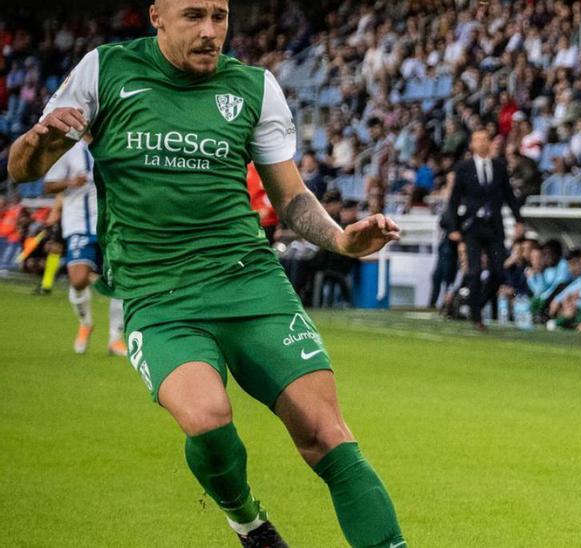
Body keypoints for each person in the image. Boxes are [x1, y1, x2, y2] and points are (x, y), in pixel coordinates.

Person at [6, 2, 406, 546]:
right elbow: (22, 167)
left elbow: (290, 198)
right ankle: (249, 523)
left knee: (325, 436)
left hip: (250, 283)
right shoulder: (105, 70)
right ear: (157, 17)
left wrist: (339, 238)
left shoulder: (253, 86)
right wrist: (40, 140)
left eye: (219, 16)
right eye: (194, 16)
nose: (210, 31)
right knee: (208, 418)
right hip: (158, 293)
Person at [41, 135, 126, 356]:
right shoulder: (69, 150)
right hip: (78, 224)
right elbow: (48, 185)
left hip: (112, 226)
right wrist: (71, 182)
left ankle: (115, 339)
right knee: (78, 279)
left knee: (121, 281)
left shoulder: (114, 144)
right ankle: (85, 323)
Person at [442, 127, 524, 330]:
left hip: (494, 226)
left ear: (489, 143)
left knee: (498, 271)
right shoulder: (464, 168)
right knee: (474, 270)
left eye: (484, 139)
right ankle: (476, 316)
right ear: (471, 144)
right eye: (476, 140)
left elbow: (509, 195)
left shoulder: (499, 167)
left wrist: (518, 220)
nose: (480, 143)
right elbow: (454, 200)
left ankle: (477, 304)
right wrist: (453, 227)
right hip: (472, 227)